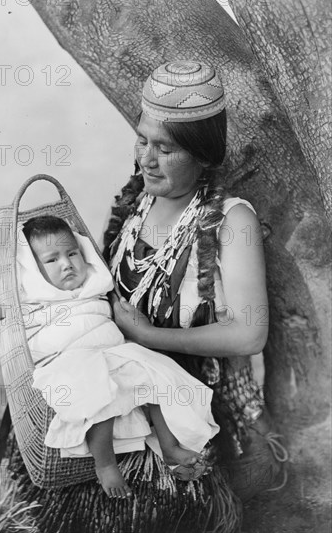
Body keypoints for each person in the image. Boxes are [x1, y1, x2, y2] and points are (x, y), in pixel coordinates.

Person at [104, 60, 274, 492]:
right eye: (142, 140)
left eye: (165, 149)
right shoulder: (138, 203)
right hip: (127, 380)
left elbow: (249, 335)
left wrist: (150, 337)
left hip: (193, 397)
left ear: (202, 155)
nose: (147, 159)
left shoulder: (231, 221)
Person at [17, 214, 219, 499]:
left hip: (114, 353)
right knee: (98, 392)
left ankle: (170, 446)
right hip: (70, 364)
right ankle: (106, 464)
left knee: (158, 372)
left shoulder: (95, 287)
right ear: (33, 271)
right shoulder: (34, 300)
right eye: (51, 260)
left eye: (73, 253)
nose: (67, 264)